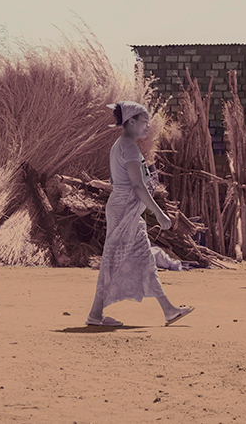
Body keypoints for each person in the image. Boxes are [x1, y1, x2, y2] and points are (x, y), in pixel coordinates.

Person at [86, 101, 194, 327]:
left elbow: (121, 182)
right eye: (144, 122)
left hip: (123, 207)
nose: (147, 126)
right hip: (124, 208)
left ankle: (168, 310)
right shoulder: (129, 148)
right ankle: (95, 315)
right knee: (113, 259)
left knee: (143, 257)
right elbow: (137, 185)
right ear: (131, 121)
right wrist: (159, 214)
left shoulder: (121, 145)